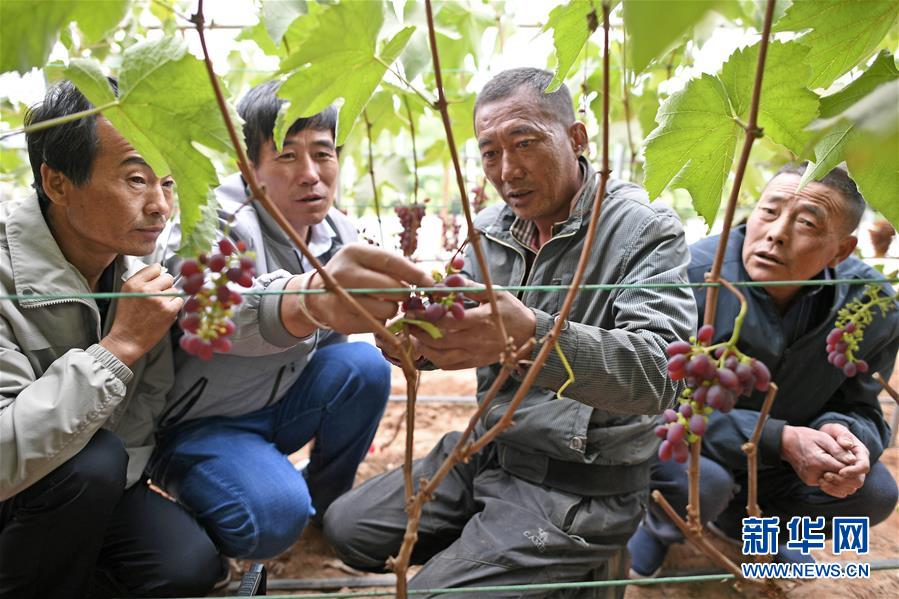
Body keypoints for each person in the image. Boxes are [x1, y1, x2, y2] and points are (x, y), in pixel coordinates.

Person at [323, 68, 697, 594]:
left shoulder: (644, 229)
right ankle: (505, 551)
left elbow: (663, 375)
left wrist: (534, 337)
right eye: (490, 153)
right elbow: (460, 327)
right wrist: (416, 345)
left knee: (433, 592)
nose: (508, 170)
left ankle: (572, 561)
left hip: (582, 483)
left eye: (525, 143)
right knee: (350, 528)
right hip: (491, 449)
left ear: (577, 137)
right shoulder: (491, 232)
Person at [147, 81, 429, 560]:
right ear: (248, 166)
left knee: (363, 367)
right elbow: (215, 317)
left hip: (280, 405)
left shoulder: (337, 231)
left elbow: (336, 344)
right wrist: (308, 302)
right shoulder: (212, 223)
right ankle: (213, 499)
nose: (310, 175)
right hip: (201, 422)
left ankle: (324, 508)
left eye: (322, 154)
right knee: (272, 519)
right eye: (286, 156)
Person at [0, 81, 225, 598]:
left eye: (167, 184)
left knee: (186, 568)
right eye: (137, 180)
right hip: (21, 489)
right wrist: (118, 347)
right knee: (93, 464)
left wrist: (308, 298)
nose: (161, 206)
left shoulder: (140, 265)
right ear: (57, 183)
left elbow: (234, 300)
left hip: (94, 487)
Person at [627, 163, 899, 577]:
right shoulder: (690, 277)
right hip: (697, 456)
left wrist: (846, 439)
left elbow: (864, 408)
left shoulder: (871, 307)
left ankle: (755, 529)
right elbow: (646, 404)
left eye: (806, 222)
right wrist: (779, 438)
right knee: (702, 482)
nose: (776, 233)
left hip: (783, 469)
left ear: (841, 251)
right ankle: (660, 526)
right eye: (769, 212)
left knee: (874, 492)